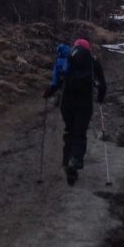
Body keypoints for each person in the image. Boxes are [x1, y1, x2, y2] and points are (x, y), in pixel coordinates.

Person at [43, 36, 106, 185]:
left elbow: (56, 82)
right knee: (80, 134)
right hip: (84, 103)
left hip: (66, 102)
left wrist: (47, 93)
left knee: (69, 132)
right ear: (88, 48)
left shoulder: (67, 59)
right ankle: (74, 161)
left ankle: (67, 165)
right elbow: (102, 85)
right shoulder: (93, 61)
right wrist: (100, 98)